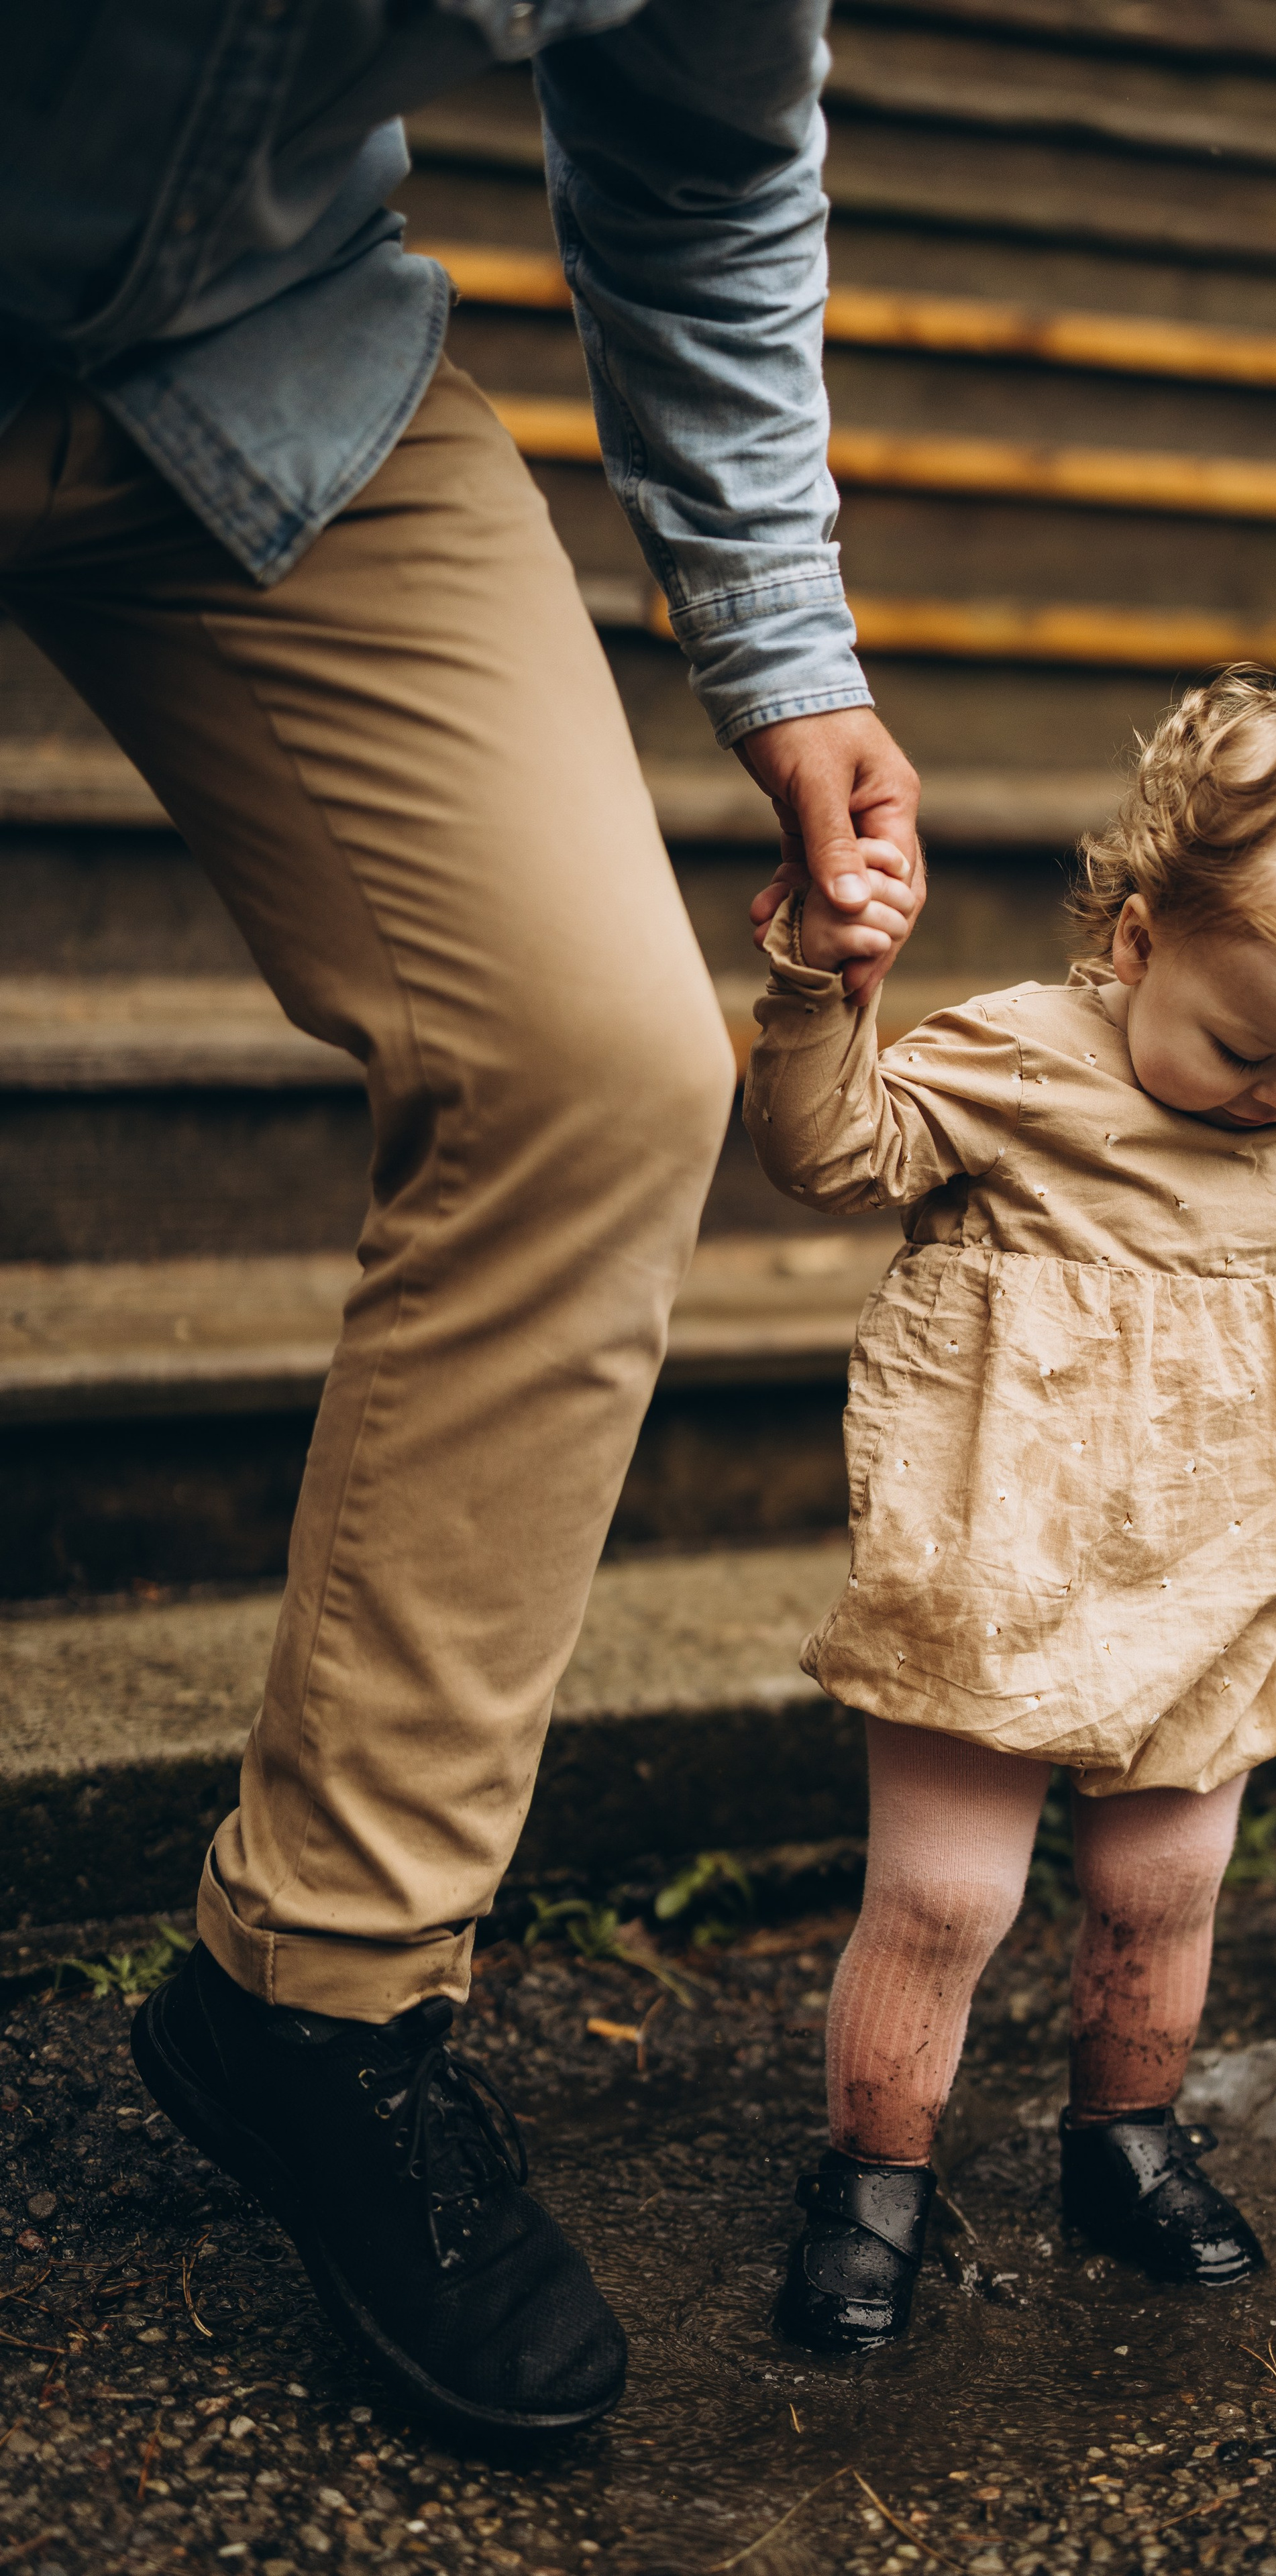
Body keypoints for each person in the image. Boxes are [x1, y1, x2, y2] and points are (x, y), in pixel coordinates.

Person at [2, 1, 924, 2439]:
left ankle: (318, 1991)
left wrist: (785, 644)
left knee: (597, 1058)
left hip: (258, 350)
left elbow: (706, 160)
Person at [741, 674, 1276, 2353]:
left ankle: (1122, 2138)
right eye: (1247, 1050)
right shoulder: (1018, 1060)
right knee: (946, 1901)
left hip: (1202, 1574)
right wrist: (824, 993)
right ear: (1132, 941)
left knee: (1168, 1886)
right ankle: (872, 2180)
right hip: (995, 1566)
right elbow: (830, 1153)